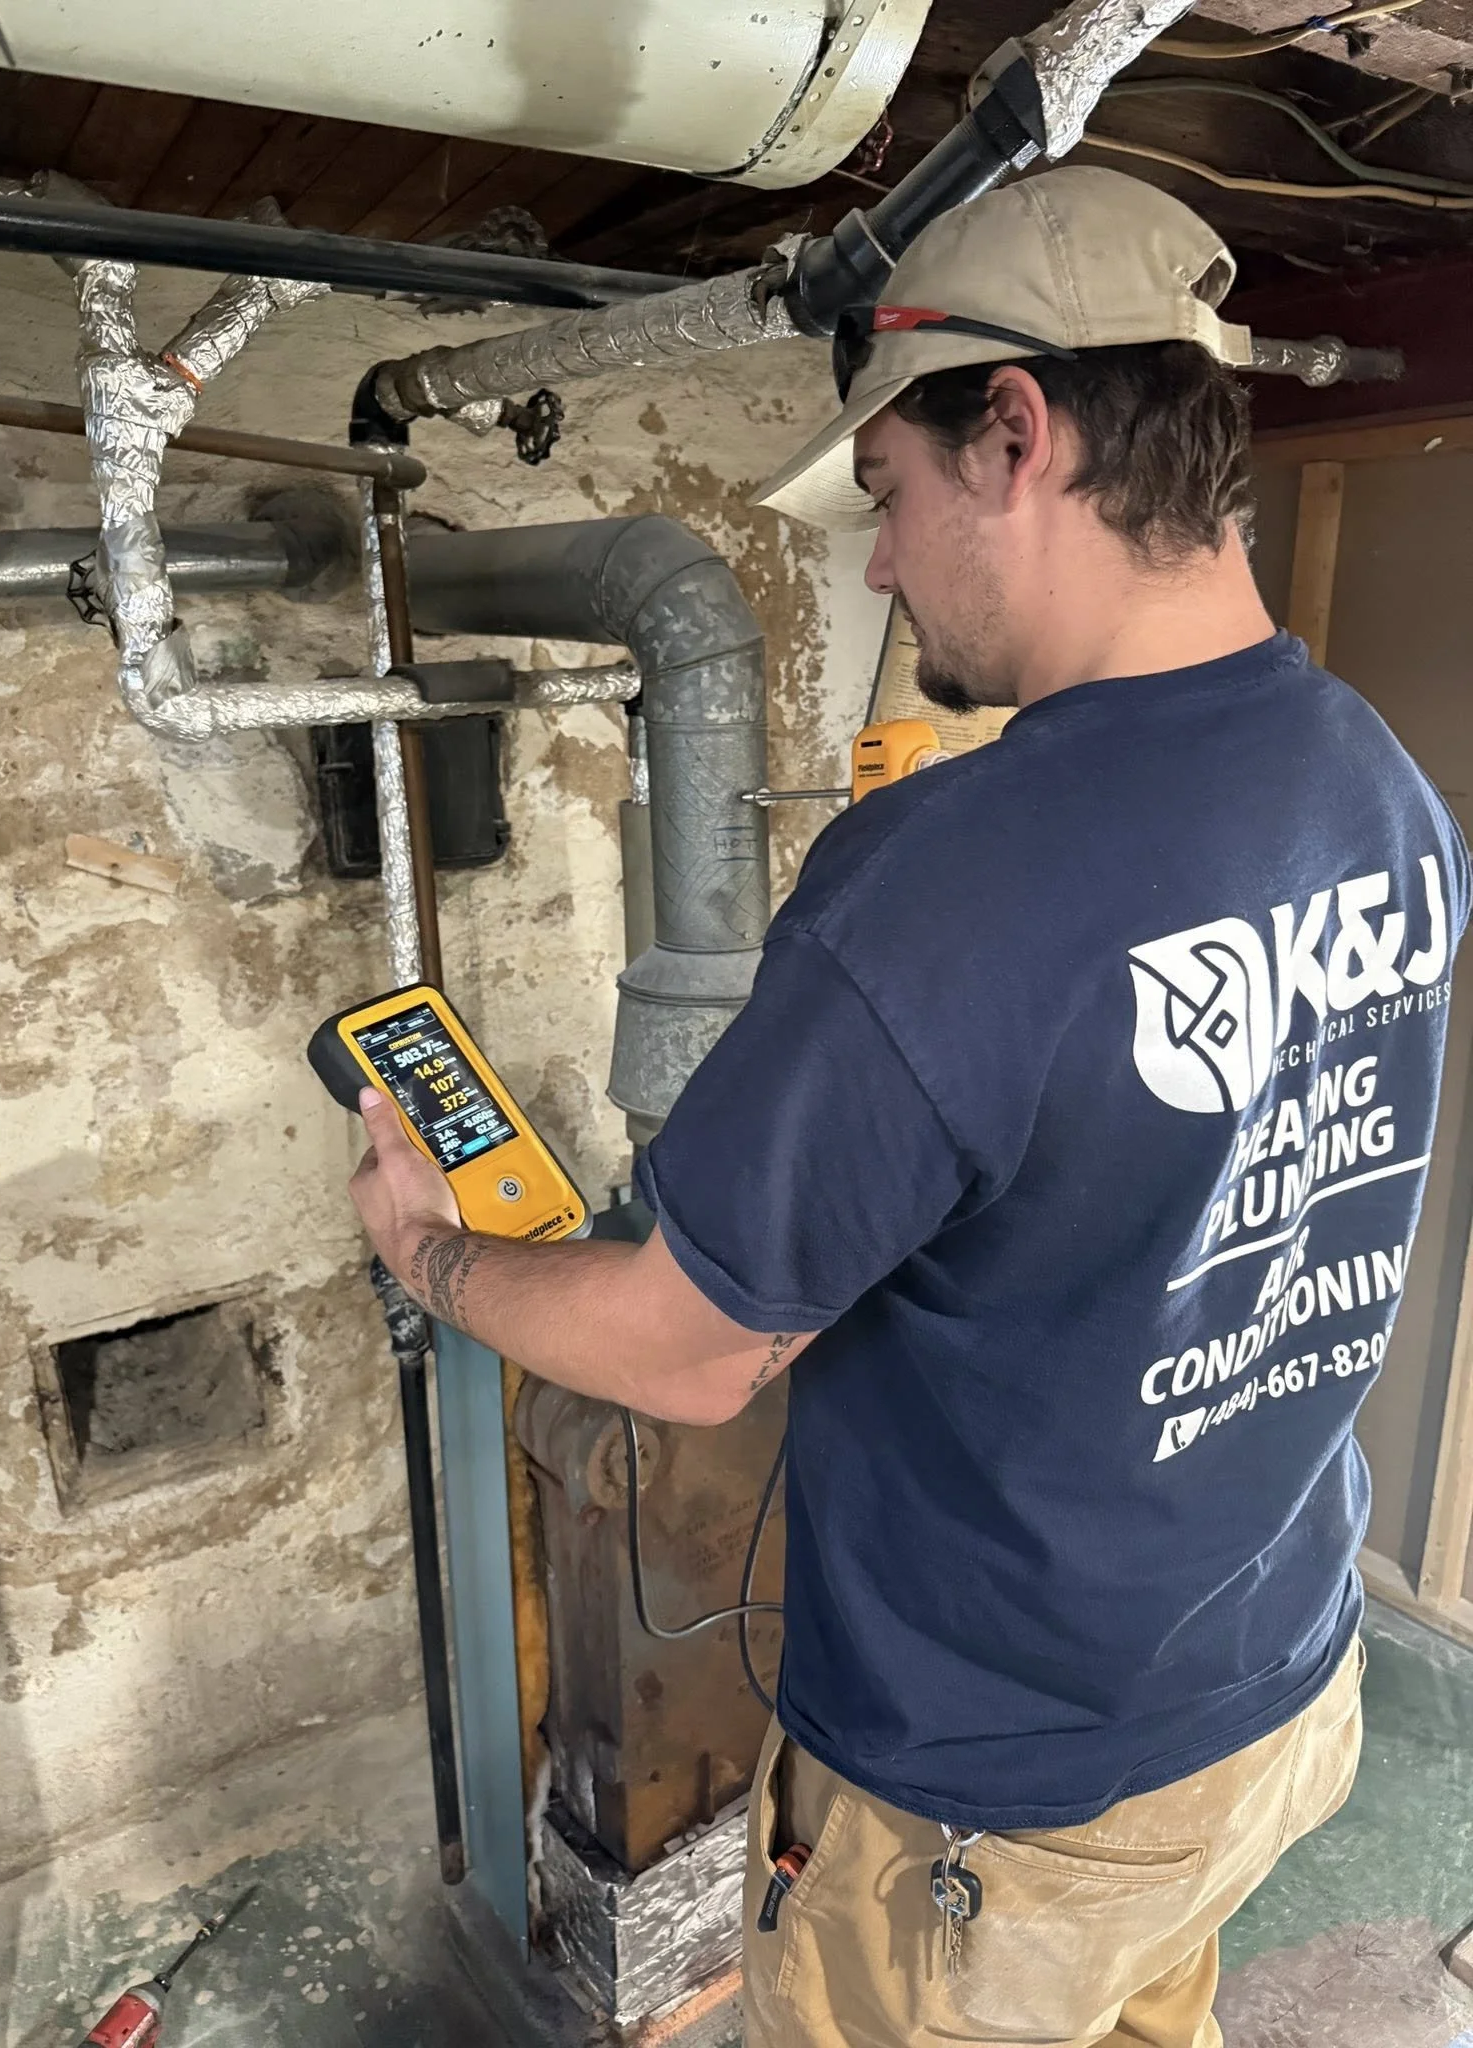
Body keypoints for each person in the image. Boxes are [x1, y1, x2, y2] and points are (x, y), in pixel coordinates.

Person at [347, 167, 1469, 2048]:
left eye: (887, 496)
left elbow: (693, 1353)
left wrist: (433, 1257)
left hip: (1007, 1793)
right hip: (1273, 1689)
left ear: (1014, 432)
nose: (877, 564)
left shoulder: (947, 881)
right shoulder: (1378, 782)